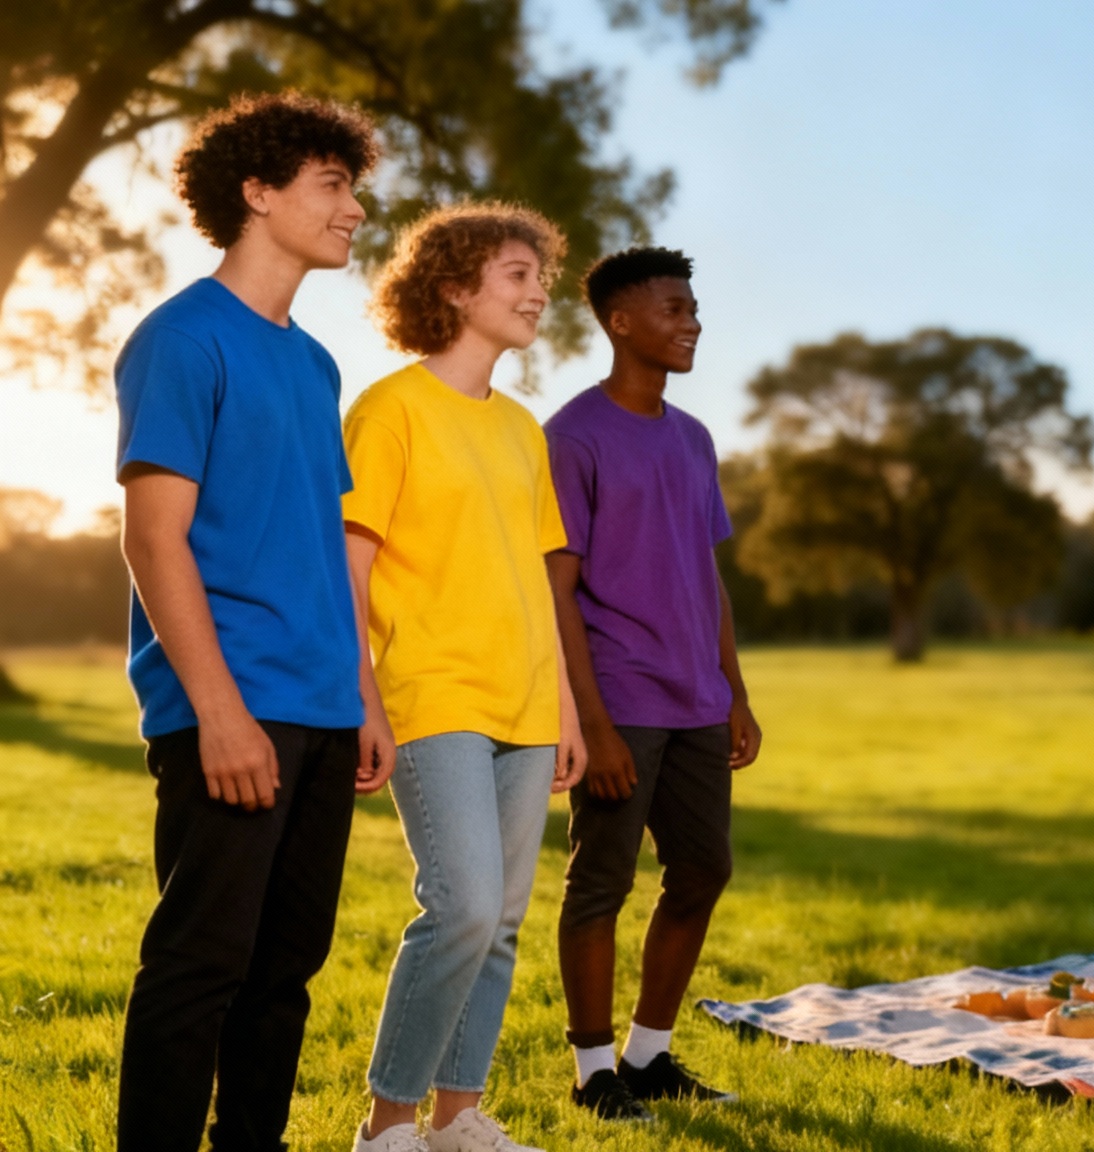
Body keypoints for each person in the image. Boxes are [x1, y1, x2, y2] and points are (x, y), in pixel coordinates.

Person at [113, 92, 383, 1152]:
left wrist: (362, 698)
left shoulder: (316, 366)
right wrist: (219, 713)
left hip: (321, 709)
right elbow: (154, 540)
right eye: (332, 185)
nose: (354, 209)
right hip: (231, 708)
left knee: (283, 976)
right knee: (200, 967)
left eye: (353, 187)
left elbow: (320, 552)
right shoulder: (180, 340)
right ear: (257, 193)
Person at [344, 203, 586, 1152]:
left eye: (540, 277)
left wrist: (564, 706)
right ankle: (388, 1126)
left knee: (504, 924)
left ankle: (458, 1118)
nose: (539, 294)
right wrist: (364, 696)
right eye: (518, 276)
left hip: (526, 702)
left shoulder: (525, 431)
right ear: (454, 288)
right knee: (463, 906)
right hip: (432, 693)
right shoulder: (390, 409)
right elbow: (350, 567)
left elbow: (537, 577)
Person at [544, 247, 763, 1119]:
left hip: (698, 702)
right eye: (674, 309)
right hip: (620, 701)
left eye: (695, 309)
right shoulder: (572, 436)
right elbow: (556, 591)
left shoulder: (695, 437)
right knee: (601, 882)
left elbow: (707, 578)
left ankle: (649, 1056)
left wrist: (735, 691)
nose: (693, 323)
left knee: (703, 870)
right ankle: (593, 1071)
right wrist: (590, 725)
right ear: (620, 322)